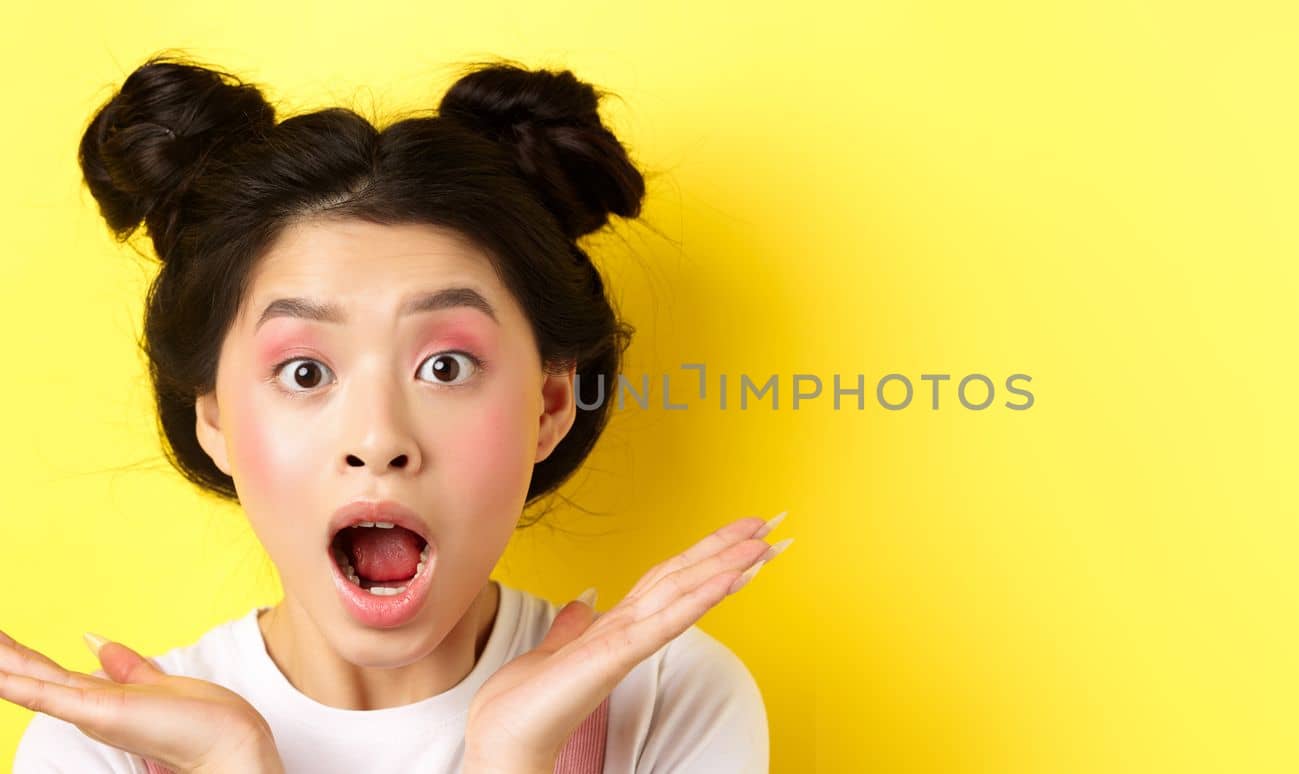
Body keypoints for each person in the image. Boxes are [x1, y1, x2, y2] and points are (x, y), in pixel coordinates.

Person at [0, 52, 792, 773]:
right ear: (213, 420)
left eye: (445, 366)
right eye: (305, 371)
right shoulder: (100, 751)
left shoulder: (667, 700)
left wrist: (514, 758)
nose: (379, 440)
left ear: (550, 404)